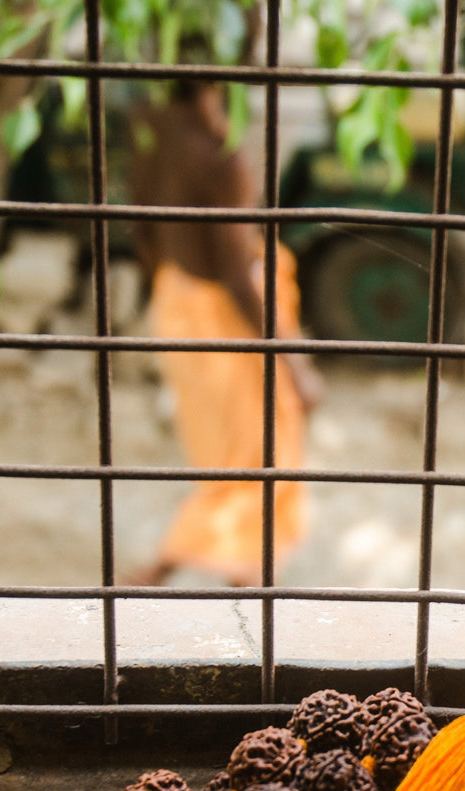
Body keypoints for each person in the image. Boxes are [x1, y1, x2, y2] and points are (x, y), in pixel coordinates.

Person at [126, 80, 322, 587]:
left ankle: (177, 571)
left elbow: (142, 230)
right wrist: (296, 365)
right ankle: (226, 581)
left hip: (177, 302)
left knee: (229, 457)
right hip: (226, 323)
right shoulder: (220, 160)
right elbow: (237, 278)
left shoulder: (150, 126)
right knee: (258, 457)